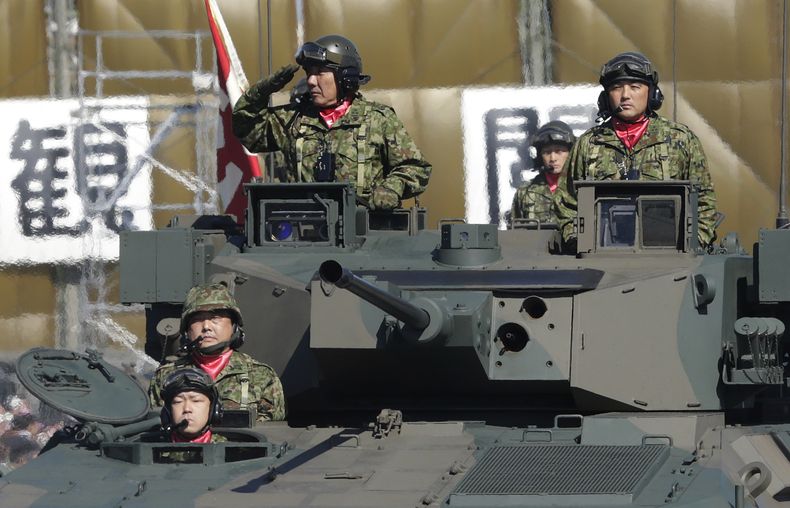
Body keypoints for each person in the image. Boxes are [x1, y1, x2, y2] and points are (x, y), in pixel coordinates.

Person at [232, 34, 432, 210]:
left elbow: (416, 167)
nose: (311, 81)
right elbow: (247, 131)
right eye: (309, 73)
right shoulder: (293, 119)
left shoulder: (377, 120)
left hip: (367, 233)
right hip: (305, 231)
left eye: (319, 72)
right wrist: (262, 90)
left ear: (345, 78)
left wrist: (390, 190)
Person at [557, 51, 718, 246]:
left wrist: (695, 242)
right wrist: (577, 242)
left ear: (652, 93)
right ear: (606, 97)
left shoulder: (680, 139)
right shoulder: (589, 143)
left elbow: (703, 201)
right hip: (600, 258)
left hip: (668, 255)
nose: (625, 95)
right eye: (616, 88)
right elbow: (567, 203)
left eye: (635, 87)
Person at [148, 283, 285, 422]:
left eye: (216, 319)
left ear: (234, 326)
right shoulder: (166, 376)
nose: (206, 327)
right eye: (197, 320)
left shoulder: (261, 376)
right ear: (187, 330)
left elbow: (271, 433)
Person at [510, 121, 576, 226]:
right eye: (547, 152)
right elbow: (516, 234)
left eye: (559, 152)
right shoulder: (526, 192)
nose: (553, 158)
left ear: (571, 152)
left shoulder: (580, 189)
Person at [159, 368, 225, 443]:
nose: (187, 409)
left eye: (196, 401)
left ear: (213, 409)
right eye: (178, 401)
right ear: (168, 411)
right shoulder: (152, 449)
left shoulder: (232, 449)